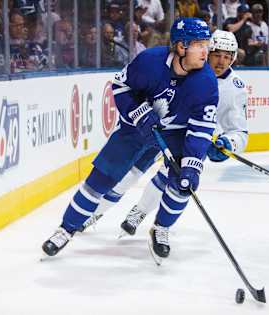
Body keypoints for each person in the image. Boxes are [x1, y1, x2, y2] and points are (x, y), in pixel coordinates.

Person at [42, 18, 218, 262]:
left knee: (183, 182)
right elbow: (120, 86)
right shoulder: (150, 62)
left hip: (174, 133)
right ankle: (66, 229)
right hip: (135, 129)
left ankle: (161, 228)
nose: (205, 51)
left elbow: (201, 129)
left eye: (206, 44)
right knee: (99, 181)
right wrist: (139, 114)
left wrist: (192, 165)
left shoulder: (207, 82)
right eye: (199, 45)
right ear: (181, 47)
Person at [79, 31, 248, 256]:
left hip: (186, 140)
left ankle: (140, 214)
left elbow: (239, 131)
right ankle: (94, 212)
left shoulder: (235, 87)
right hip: (157, 129)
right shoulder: (185, 69)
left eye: (228, 57)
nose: (222, 62)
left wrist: (228, 143)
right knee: (127, 174)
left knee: (173, 179)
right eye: (218, 54)